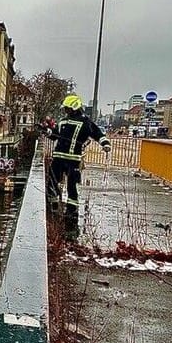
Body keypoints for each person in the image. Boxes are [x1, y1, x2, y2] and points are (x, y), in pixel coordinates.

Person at [45, 94, 111, 238]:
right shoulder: (62, 122)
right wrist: (47, 132)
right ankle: (54, 205)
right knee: (52, 182)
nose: (65, 111)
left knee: (71, 186)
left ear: (74, 108)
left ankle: (71, 211)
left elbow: (97, 133)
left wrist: (105, 143)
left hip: (73, 159)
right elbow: (55, 135)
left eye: (67, 109)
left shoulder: (85, 122)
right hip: (58, 157)